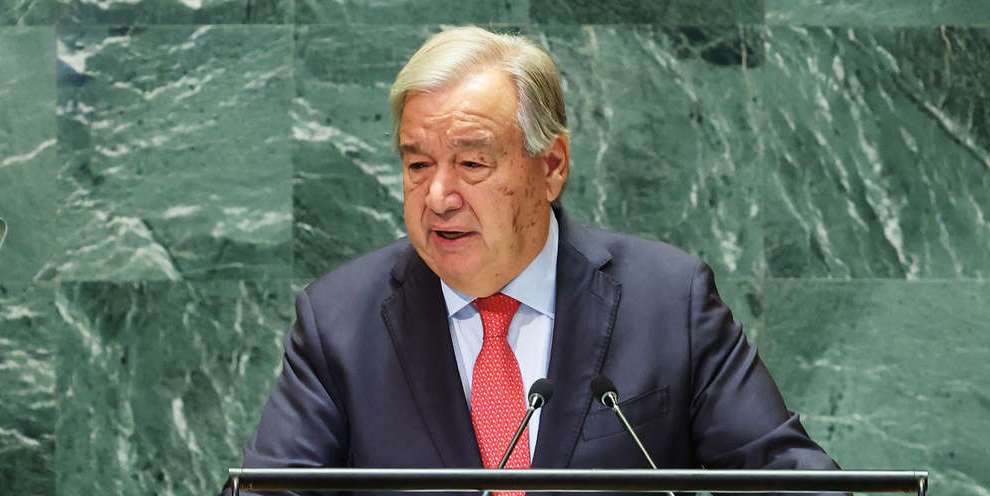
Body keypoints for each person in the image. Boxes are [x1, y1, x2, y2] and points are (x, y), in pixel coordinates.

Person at [233, 25, 841, 495]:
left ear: (551, 167)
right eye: (417, 164)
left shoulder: (668, 301)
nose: (438, 196)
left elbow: (789, 477)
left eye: (472, 163)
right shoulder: (339, 322)